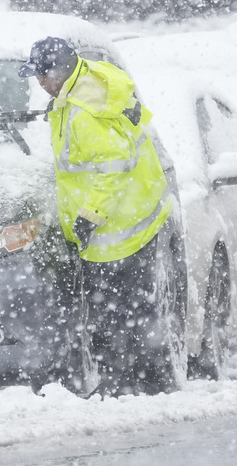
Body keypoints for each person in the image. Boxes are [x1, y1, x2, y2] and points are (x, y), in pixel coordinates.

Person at [18, 36, 176, 396]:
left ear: (60, 71)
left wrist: (90, 216)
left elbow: (114, 166)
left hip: (118, 226)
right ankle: (147, 382)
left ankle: (121, 385)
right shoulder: (91, 80)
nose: (39, 83)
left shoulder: (83, 112)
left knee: (111, 316)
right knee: (135, 309)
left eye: (42, 75)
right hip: (139, 209)